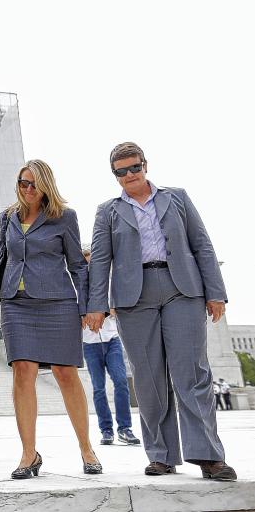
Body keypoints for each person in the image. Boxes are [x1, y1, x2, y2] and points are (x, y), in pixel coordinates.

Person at [85, 142, 236, 481]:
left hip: (182, 290)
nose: (129, 176)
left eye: (134, 168)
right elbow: (100, 262)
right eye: (120, 171)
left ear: (145, 165)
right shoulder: (107, 211)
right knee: (150, 379)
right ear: (114, 175)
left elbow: (202, 244)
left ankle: (209, 455)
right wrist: (95, 305)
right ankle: (161, 455)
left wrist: (216, 293)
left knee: (192, 373)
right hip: (133, 299)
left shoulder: (177, 197)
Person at [0, 159, 101, 480]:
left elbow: (78, 264)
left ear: (46, 186)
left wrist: (85, 306)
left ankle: (86, 448)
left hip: (57, 302)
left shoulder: (64, 217)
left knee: (66, 374)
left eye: (34, 183)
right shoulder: (7, 217)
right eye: (23, 182)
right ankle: (28, 454)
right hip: (16, 304)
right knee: (23, 372)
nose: (27, 189)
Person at [81, 249, 140, 447]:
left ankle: (125, 428)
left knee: (121, 382)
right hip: (90, 344)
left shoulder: (107, 285)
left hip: (112, 339)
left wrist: (100, 312)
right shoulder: (78, 290)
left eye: (92, 264)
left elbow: (115, 309)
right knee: (98, 388)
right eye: (86, 265)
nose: (90, 268)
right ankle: (106, 431)